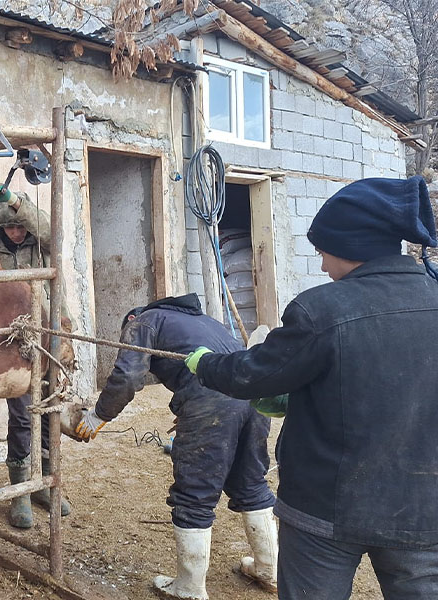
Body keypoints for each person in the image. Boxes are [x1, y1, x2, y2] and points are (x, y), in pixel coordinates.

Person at [185, 176, 438, 599]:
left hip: (326, 507)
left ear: (351, 245)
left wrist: (205, 363)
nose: (322, 266)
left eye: (323, 252)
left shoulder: (321, 308)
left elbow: (252, 373)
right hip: (421, 508)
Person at [76, 293, 278, 599]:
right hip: (254, 399)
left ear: (131, 319)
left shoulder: (142, 321)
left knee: (194, 495)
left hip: (210, 401)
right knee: (250, 483)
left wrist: (98, 415)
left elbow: (128, 375)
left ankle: (190, 588)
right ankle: (269, 569)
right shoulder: (205, 320)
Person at [0, 183, 72, 529]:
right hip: (12, 343)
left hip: (49, 338)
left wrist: (16, 202)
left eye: (20, 226)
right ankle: (20, 489)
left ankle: (45, 482)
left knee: (49, 411)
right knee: (21, 416)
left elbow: (52, 231)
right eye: (9, 227)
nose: (15, 232)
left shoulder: (42, 248)